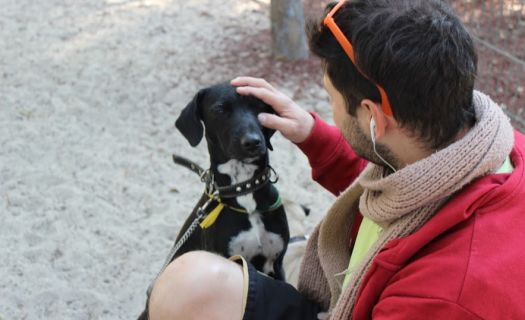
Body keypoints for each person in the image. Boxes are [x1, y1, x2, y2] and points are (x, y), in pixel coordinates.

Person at [148, 0, 525, 319]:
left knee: (189, 288)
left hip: (352, 302)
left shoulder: (443, 296)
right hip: (354, 276)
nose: (326, 110)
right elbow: (399, 174)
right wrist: (313, 136)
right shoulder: (486, 148)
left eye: (328, 98)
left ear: (374, 118)